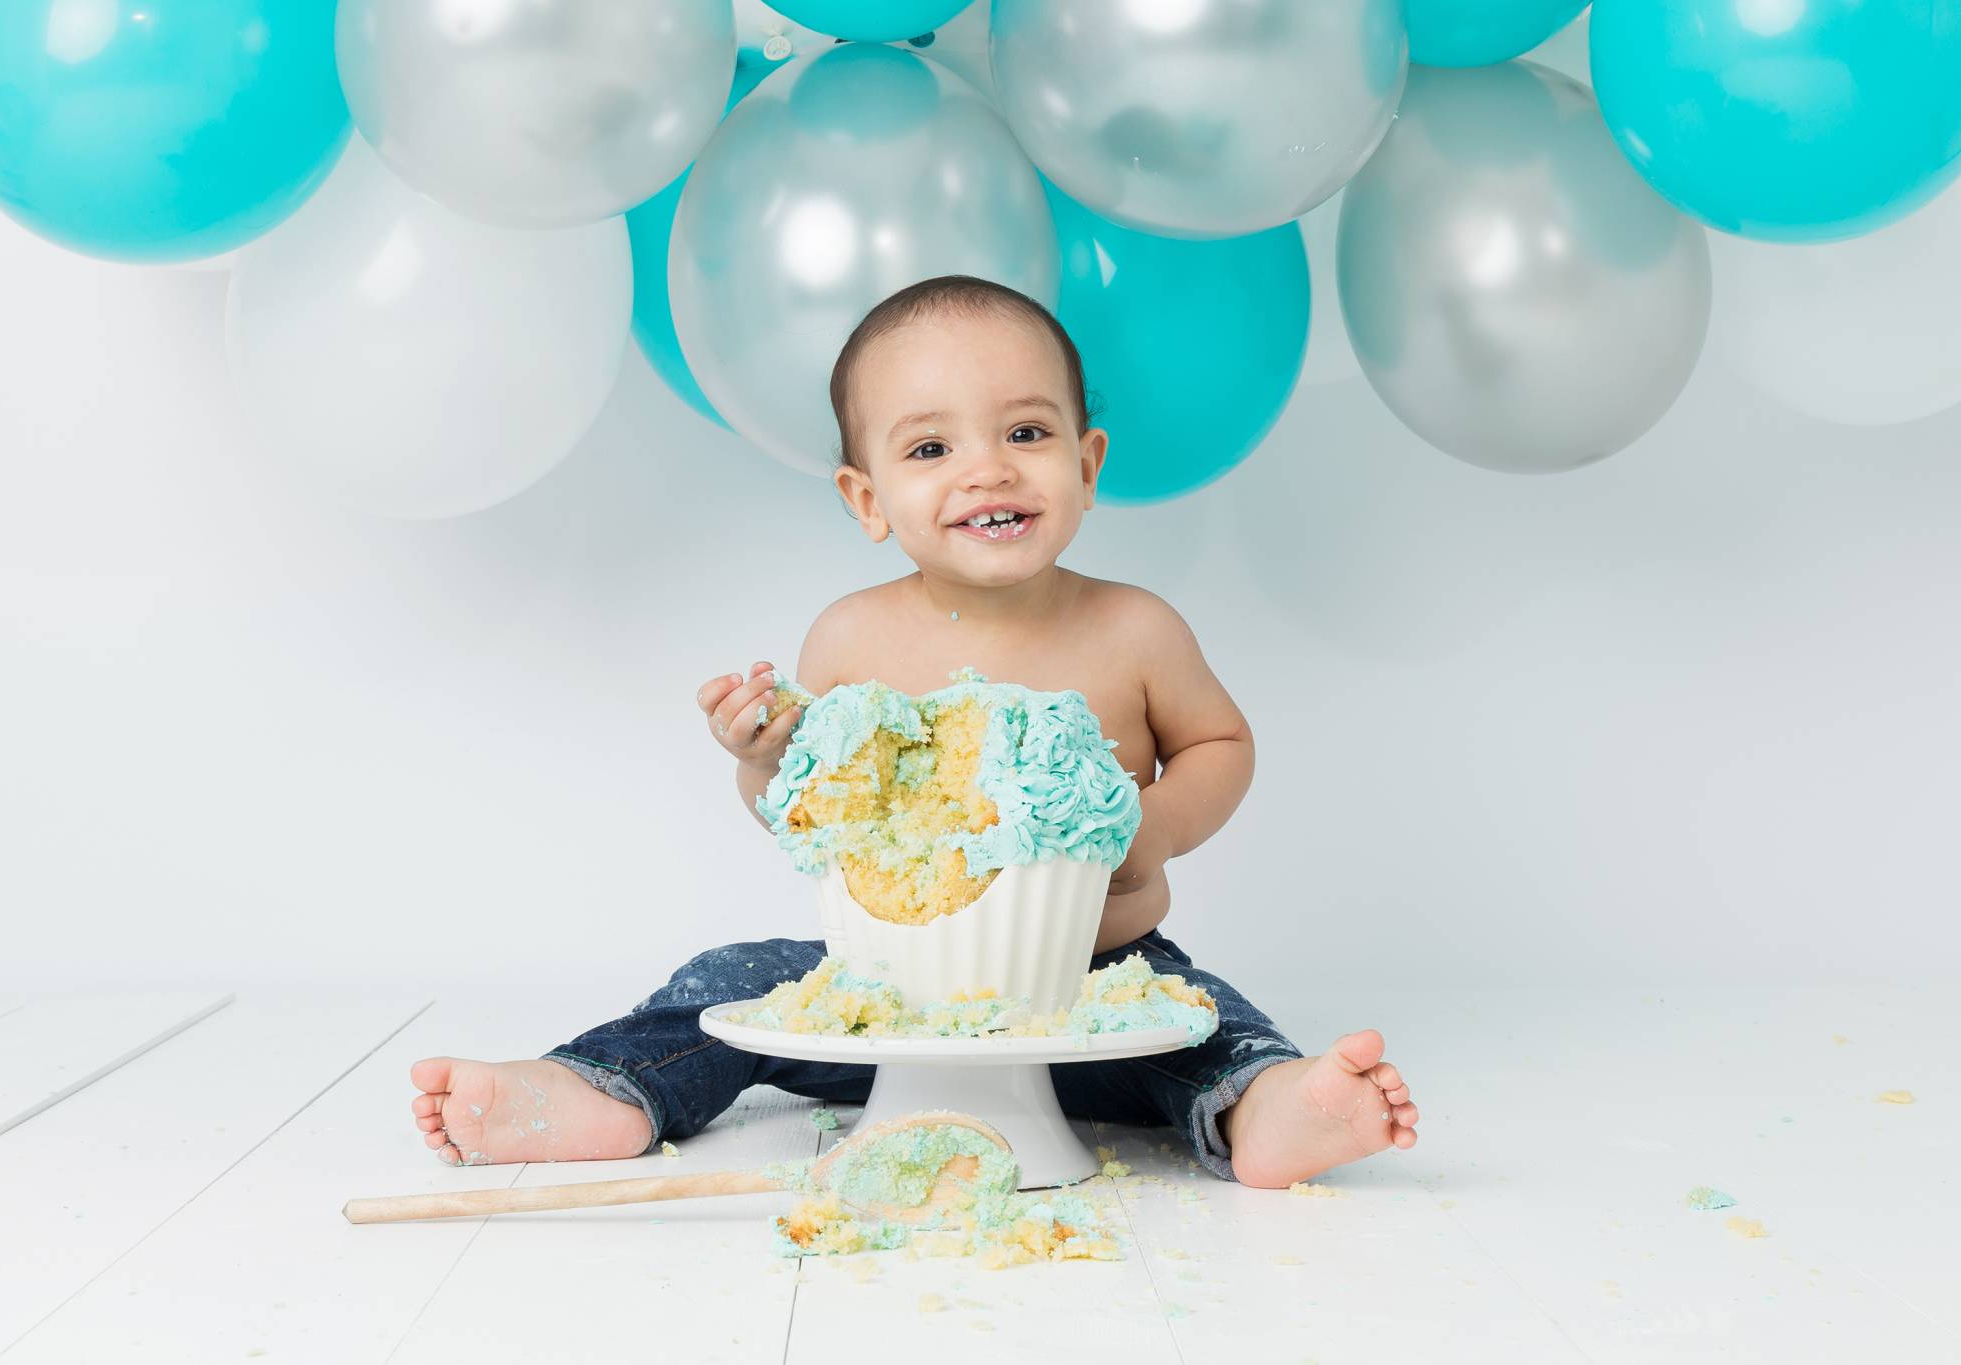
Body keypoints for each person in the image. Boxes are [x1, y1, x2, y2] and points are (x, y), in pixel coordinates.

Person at [409, 275, 1421, 1187]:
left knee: (1199, 1018)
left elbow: (1218, 745)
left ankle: (1266, 1109)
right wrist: (764, 761)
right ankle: (597, 1092)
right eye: (931, 448)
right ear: (867, 498)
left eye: (1024, 434)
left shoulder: (1133, 629)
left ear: (1084, 461)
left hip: (1088, 989)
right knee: (726, 984)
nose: (986, 471)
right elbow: (802, 813)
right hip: (883, 1000)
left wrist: (1150, 828)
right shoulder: (850, 638)